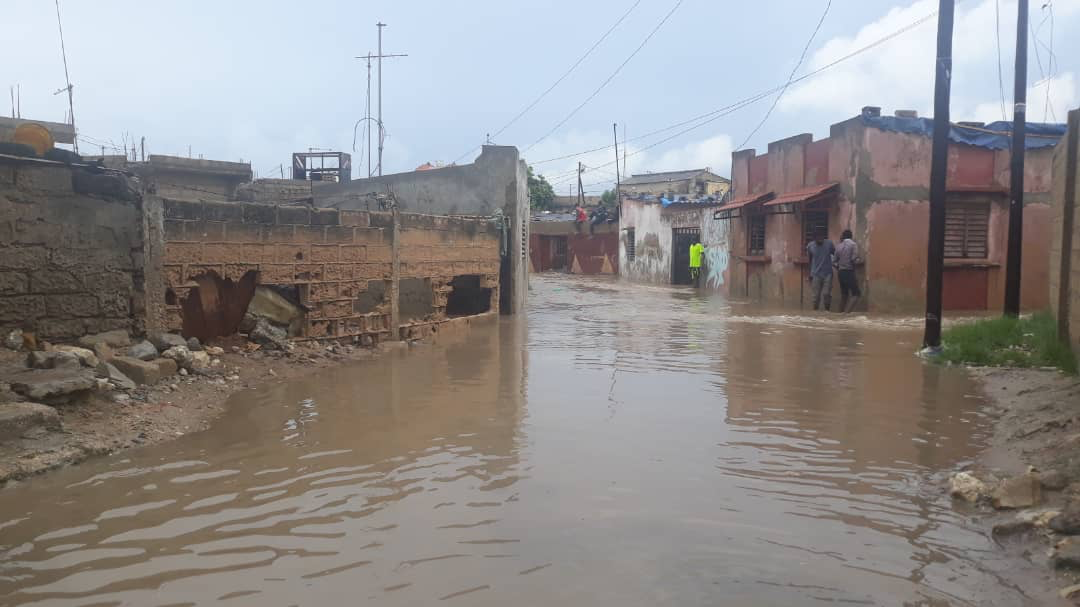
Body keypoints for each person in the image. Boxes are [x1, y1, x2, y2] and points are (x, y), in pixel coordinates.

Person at [806, 232, 836, 311]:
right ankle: (815, 313)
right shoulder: (810, 246)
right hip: (815, 274)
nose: (820, 239)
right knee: (816, 297)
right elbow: (809, 260)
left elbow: (835, 254)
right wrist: (809, 273)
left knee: (826, 294)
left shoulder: (829, 243)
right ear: (814, 238)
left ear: (823, 237)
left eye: (821, 237)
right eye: (817, 237)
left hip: (828, 273)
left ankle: (827, 311)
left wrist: (836, 263)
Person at [835, 229, 862, 312]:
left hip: (840, 272)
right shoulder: (853, 244)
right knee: (856, 294)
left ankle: (839, 314)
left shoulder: (839, 246)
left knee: (844, 294)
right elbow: (854, 259)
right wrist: (861, 261)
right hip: (848, 272)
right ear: (851, 236)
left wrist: (840, 266)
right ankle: (846, 314)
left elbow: (834, 261)